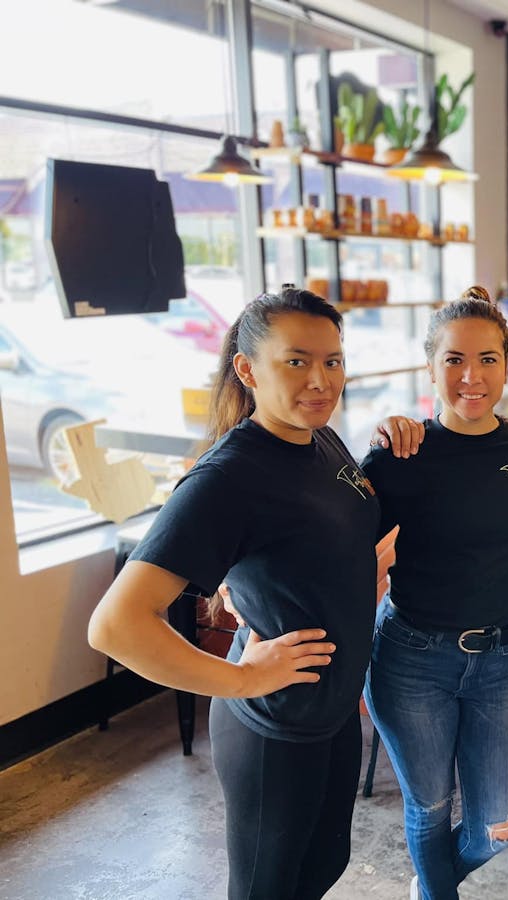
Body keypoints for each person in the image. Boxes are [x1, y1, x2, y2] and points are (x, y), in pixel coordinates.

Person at [88, 287, 385, 900]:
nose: (321, 380)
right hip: (273, 728)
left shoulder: (317, 439)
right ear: (248, 370)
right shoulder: (229, 475)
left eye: (333, 361)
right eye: (296, 361)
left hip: (331, 714)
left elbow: (314, 536)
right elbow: (115, 625)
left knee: (323, 866)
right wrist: (245, 679)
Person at [362, 287, 508, 900]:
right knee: (430, 808)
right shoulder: (401, 452)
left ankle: (428, 887)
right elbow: (326, 529)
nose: (471, 376)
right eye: (453, 360)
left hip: (506, 657)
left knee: (499, 827)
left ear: (507, 363)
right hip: (413, 657)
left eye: (487, 359)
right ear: (430, 367)